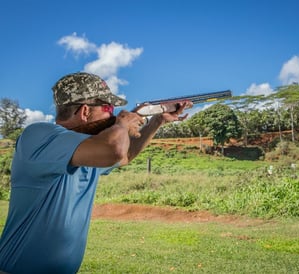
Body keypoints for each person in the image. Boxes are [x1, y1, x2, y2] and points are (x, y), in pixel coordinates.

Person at [0, 72, 189, 273]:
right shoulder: (39, 136)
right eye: (108, 108)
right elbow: (114, 150)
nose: (113, 114)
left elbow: (125, 155)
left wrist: (157, 121)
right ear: (84, 112)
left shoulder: (89, 150)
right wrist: (122, 124)